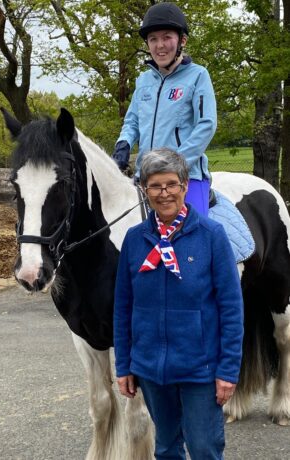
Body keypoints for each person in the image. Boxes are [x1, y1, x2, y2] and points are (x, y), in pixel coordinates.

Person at [113, 149, 243, 460]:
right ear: (145, 190)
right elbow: (122, 306)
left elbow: (231, 308)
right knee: (166, 449)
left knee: (204, 448)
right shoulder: (134, 239)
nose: (164, 193)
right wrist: (124, 365)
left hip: (200, 368)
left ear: (185, 186)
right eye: (155, 186)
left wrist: (228, 370)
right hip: (150, 369)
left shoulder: (212, 236)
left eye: (171, 184)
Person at [112, 2, 217, 217]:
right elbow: (132, 122)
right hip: (147, 177)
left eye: (167, 37)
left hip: (186, 176)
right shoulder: (143, 81)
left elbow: (206, 125)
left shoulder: (198, 76)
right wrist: (123, 144)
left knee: (194, 240)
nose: (160, 45)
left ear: (182, 40)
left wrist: (175, 164)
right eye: (153, 39)